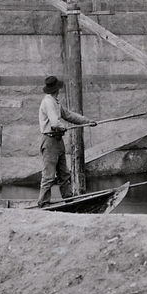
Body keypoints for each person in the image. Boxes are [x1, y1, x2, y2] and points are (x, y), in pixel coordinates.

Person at [37, 75, 95, 207]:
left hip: (58, 141)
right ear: (57, 89)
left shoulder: (55, 102)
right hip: (50, 141)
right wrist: (63, 127)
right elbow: (55, 123)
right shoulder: (48, 102)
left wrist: (87, 121)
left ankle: (68, 200)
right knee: (49, 176)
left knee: (64, 174)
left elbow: (69, 115)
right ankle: (43, 203)